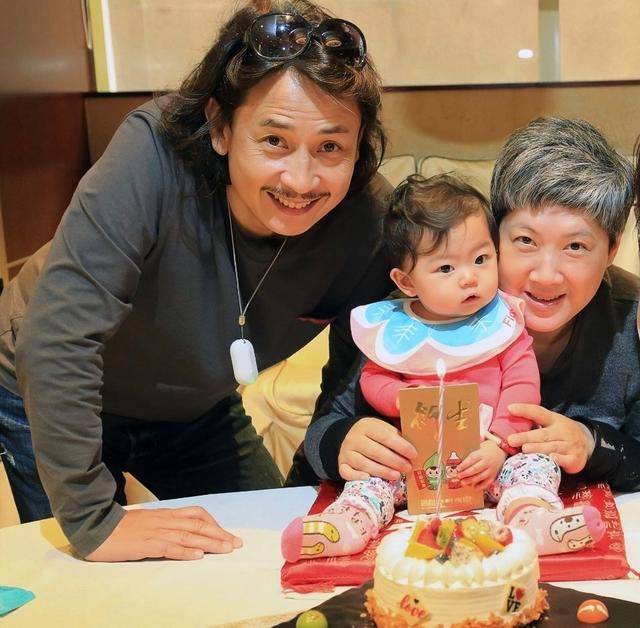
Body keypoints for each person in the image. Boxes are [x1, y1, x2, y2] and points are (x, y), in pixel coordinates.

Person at [0, 0, 394, 562]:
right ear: (220, 126)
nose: (301, 180)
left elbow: (355, 369)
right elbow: (58, 340)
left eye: (331, 147)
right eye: (274, 141)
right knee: (90, 579)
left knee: (267, 555)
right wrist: (94, 522)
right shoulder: (154, 154)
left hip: (196, 406)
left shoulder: (366, 222)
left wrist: (328, 453)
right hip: (49, 380)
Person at [292, 116, 639, 508]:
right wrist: (343, 442)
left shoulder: (631, 322)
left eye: (576, 247)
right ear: (494, 235)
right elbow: (318, 438)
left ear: (611, 250)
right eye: (525, 240)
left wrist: (594, 444)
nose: (546, 275)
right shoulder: (404, 319)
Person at [281, 174, 604, 563]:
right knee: (372, 479)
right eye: (446, 268)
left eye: (481, 259)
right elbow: (374, 378)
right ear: (406, 281)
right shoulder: (395, 328)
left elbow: (521, 386)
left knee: (535, 464)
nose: (469, 277)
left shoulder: (502, 322)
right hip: (416, 463)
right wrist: (405, 401)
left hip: (490, 460)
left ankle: (534, 520)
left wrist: (500, 445)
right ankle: (346, 526)